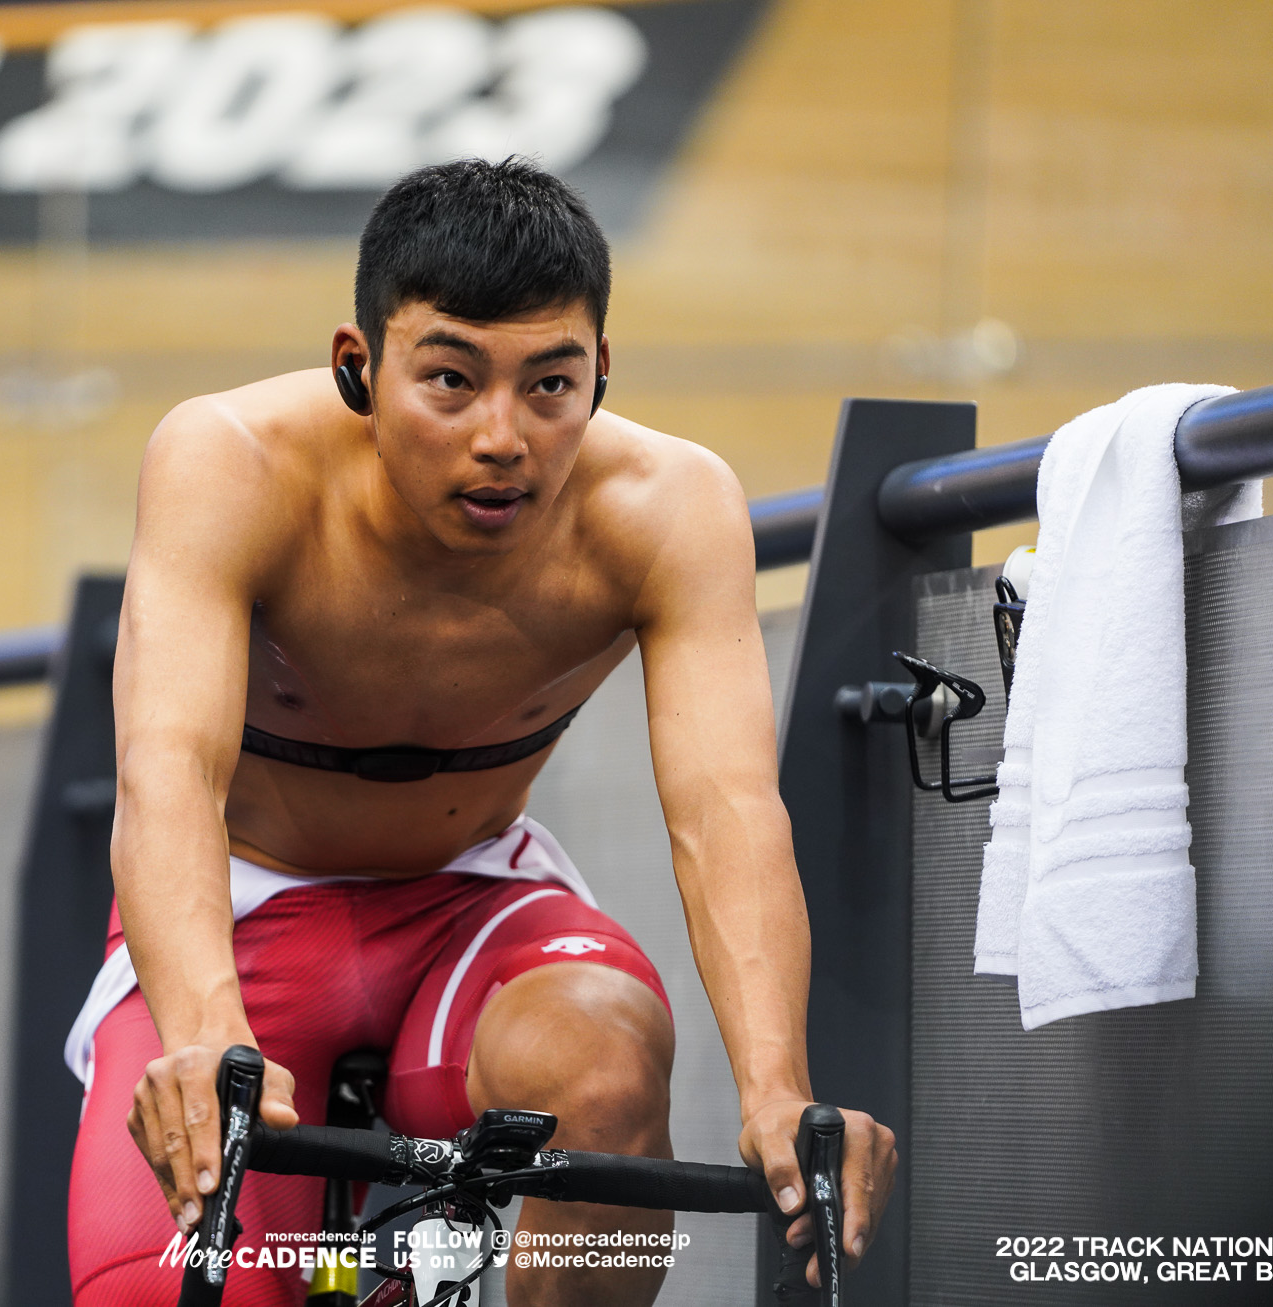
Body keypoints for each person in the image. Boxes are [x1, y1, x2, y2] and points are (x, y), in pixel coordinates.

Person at [65, 157, 897, 1306]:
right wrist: (208, 1034)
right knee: (155, 1288)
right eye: (450, 380)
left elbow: (726, 808)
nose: (502, 436)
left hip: (468, 901)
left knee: (605, 1068)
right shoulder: (231, 459)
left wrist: (775, 1088)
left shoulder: (670, 504)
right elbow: (167, 774)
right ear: (358, 367)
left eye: (549, 385)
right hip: (244, 910)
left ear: (601, 373)